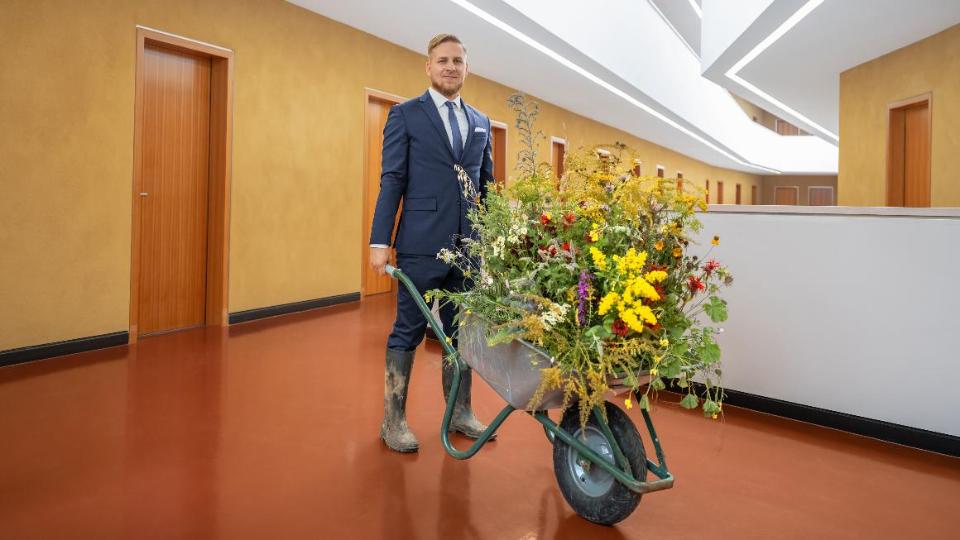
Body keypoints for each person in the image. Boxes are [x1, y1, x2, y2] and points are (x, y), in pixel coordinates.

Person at [369, 34, 495, 453]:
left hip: (469, 248)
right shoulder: (406, 115)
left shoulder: (480, 121)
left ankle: (460, 412)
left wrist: (491, 243)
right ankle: (393, 421)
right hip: (421, 243)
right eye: (442, 60)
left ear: (466, 68)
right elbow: (392, 181)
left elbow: (486, 187)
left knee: (463, 333)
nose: (450, 67)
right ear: (428, 66)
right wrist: (379, 241)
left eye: (457, 60)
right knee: (408, 328)